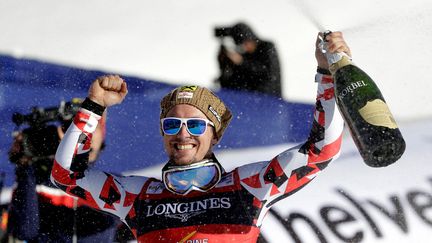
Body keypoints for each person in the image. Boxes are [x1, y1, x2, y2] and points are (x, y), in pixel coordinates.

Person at [51, 31, 350, 242]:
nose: (182, 134)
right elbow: (65, 175)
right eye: (171, 125)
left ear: (215, 134)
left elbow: (322, 150)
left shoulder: (249, 186)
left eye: (195, 125)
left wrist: (326, 73)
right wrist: (94, 107)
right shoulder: (137, 197)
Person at [5, 99, 119, 243]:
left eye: (93, 125)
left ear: (102, 135)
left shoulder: (109, 184)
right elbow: (25, 231)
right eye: (77, 127)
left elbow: (106, 223)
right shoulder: (36, 179)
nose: (85, 134)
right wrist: (24, 165)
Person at [215, 22, 282, 97]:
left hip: (268, 97)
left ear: (251, 38)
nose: (245, 47)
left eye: (246, 43)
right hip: (249, 97)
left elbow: (266, 72)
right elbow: (238, 78)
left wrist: (241, 62)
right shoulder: (245, 55)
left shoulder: (267, 48)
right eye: (242, 45)